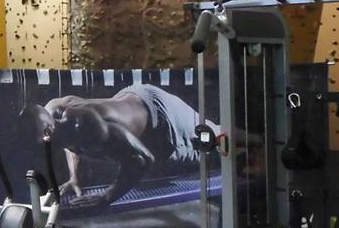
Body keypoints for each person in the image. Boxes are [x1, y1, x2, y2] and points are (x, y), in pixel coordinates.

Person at [19, 84, 219, 202]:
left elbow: (143, 158)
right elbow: (69, 142)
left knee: (216, 139)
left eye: (41, 144)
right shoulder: (52, 111)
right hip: (132, 97)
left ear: (48, 132)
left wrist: (107, 197)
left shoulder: (85, 124)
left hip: (160, 114)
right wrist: (74, 178)